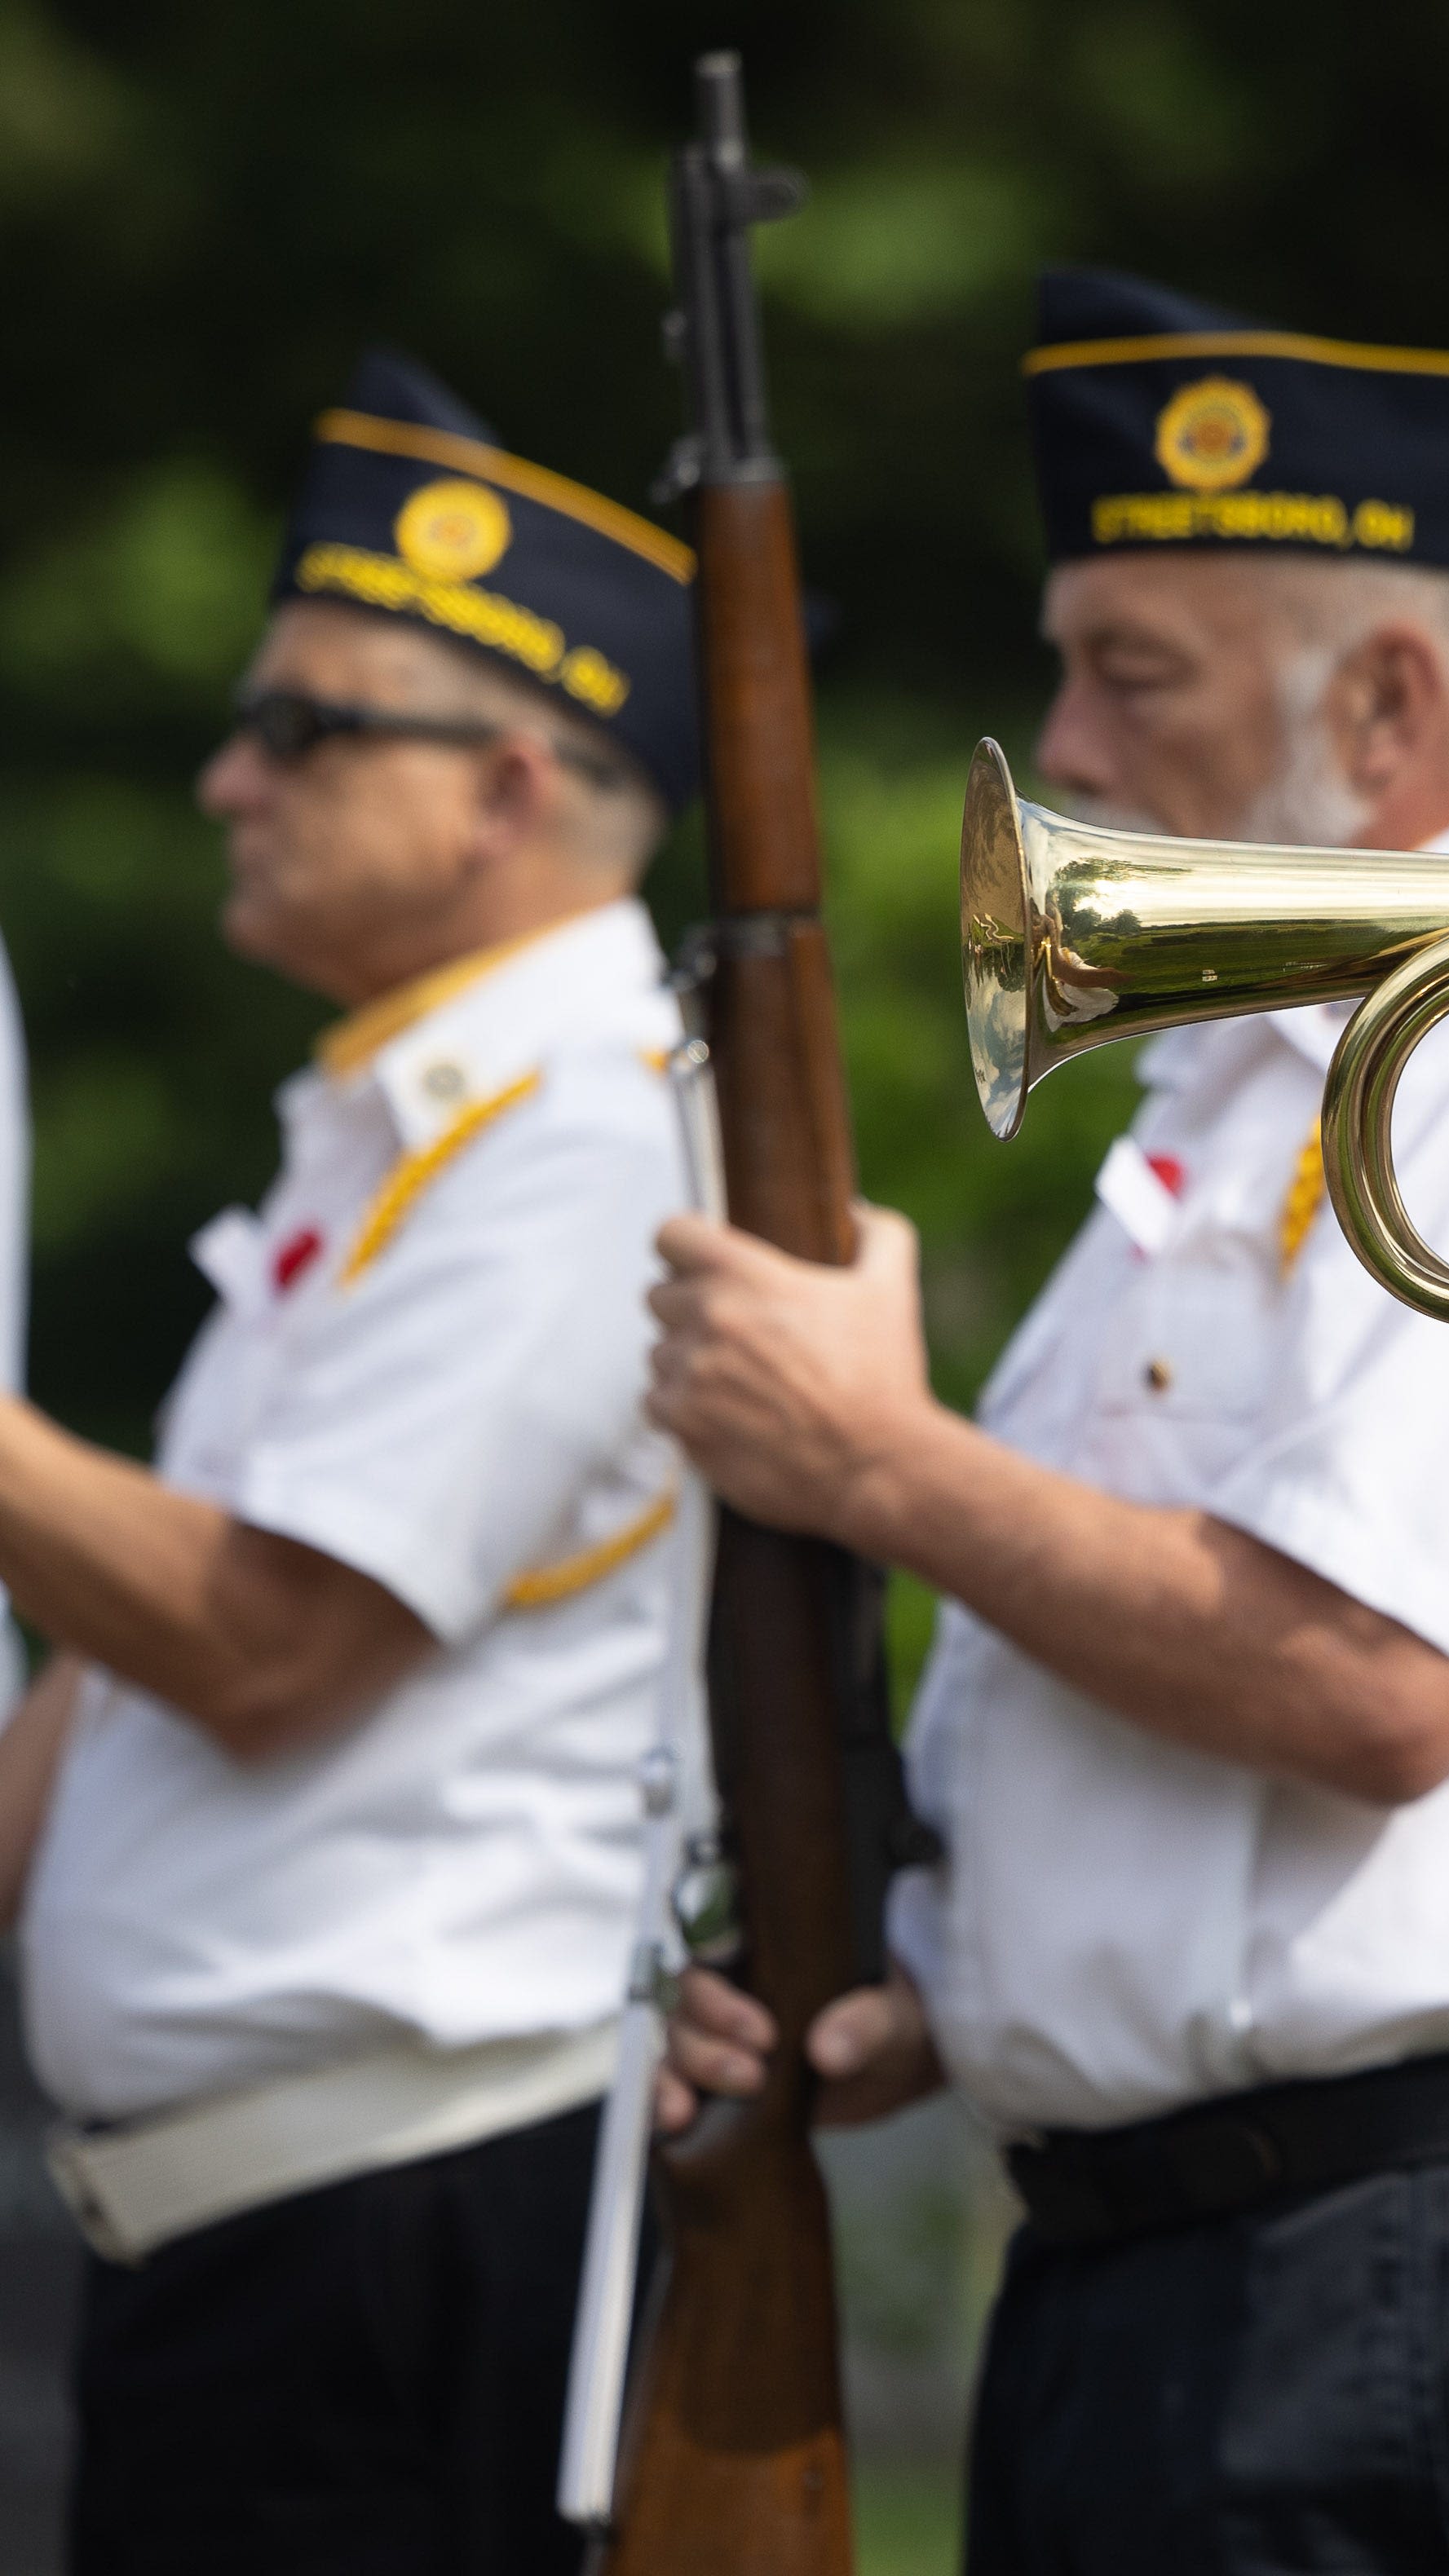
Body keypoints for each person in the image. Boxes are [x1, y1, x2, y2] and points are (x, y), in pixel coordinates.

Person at [645, 268, 1449, 2576]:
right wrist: (934, 2001)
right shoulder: (1254, 1083)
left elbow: (1371, 1689)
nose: (1058, 741)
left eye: (1127, 670)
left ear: (1381, 702)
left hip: (1388, 2263)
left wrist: (880, 1461)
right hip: (1200, 2265)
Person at [0, 352, 701, 2573]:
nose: (229, 780)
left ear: (506, 789)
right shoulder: (416, 1132)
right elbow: (122, 1664)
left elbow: (270, 1644)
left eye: (300, 729)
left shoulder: (581, 1137)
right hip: (265, 2238)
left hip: (386, 2251)